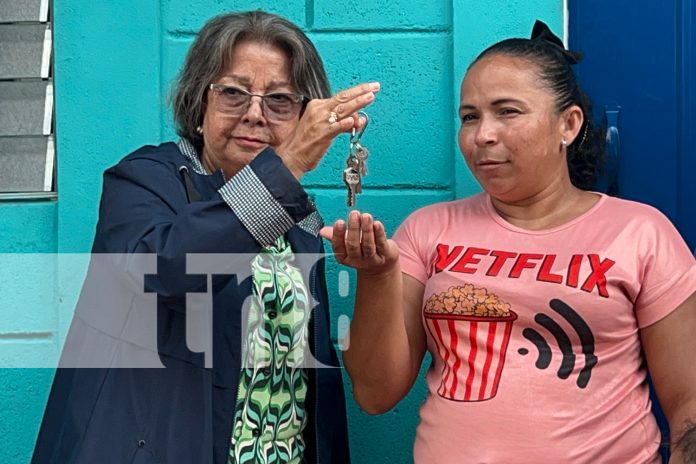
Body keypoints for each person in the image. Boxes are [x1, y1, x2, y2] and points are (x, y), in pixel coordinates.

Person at [322, 21, 696, 463]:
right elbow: (374, 393)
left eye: (508, 111)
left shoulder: (640, 233)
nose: (483, 135)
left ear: (568, 124)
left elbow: (688, 403)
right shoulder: (428, 229)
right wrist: (378, 275)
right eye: (470, 117)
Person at [32, 10, 378, 464]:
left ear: (300, 117)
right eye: (233, 93)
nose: (254, 115)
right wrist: (288, 166)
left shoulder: (299, 221)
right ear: (200, 106)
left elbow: (309, 382)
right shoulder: (146, 179)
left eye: (279, 101)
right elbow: (165, 270)